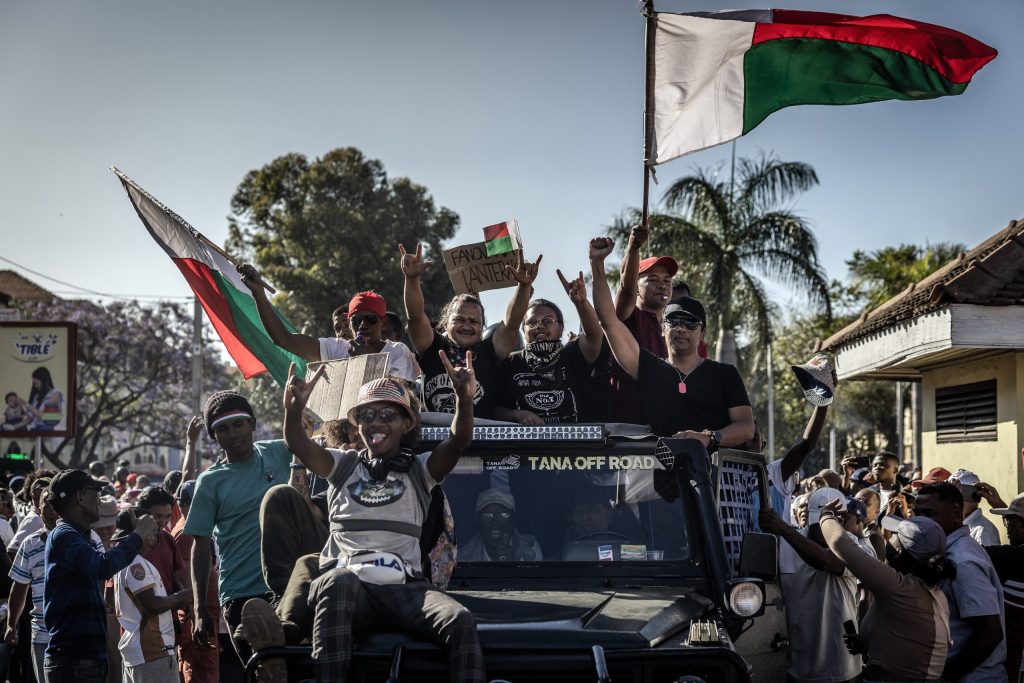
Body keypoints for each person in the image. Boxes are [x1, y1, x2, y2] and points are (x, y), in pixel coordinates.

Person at [245, 355, 485, 682]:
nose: (377, 422)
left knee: (460, 620)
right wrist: (293, 410)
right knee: (335, 580)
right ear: (357, 425)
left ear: (407, 423)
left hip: (403, 586)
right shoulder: (343, 466)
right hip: (348, 586)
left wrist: (464, 400)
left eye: (388, 414)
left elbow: (459, 441)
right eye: (367, 415)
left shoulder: (420, 470)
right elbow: (298, 444)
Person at [589, 236, 754, 446]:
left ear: (702, 334)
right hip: (658, 472)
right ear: (662, 329)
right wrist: (596, 263)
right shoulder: (650, 368)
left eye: (690, 323)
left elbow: (746, 427)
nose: (681, 329)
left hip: (709, 474)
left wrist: (708, 438)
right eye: (674, 322)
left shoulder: (725, 374)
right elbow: (608, 320)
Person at [183, 391, 294, 664]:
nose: (232, 434)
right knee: (259, 672)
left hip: (291, 589)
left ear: (253, 424)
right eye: (222, 429)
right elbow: (201, 546)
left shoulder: (282, 451)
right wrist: (199, 609)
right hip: (241, 594)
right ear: (213, 436)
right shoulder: (209, 482)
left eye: (238, 424)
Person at [42, 469, 159, 682]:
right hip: (73, 660)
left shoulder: (79, 536)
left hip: (84, 659)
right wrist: (137, 536)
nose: (98, 498)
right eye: (93, 492)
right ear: (79, 497)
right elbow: (100, 566)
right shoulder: (64, 535)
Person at [400, 241, 540, 418]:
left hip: (482, 440)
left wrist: (524, 286)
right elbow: (415, 316)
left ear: (482, 326)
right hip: (437, 440)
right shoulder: (431, 346)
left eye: (474, 321)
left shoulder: (491, 351)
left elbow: (511, 325)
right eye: (459, 319)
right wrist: (411, 279)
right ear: (446, 322)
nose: (466, 326)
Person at [822, 507, 954, 682]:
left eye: (894, 536)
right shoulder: (934, 593)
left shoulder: (898, 586)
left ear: (900, 551)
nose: (889, 538)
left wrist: (825, 515)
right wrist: (867, 643)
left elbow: (840, 543)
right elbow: (906, 645)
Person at [238, 264, 419, 381]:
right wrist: (258, 294)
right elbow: (283, 340)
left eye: (371, 319)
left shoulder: (397, 351)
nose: (363, 325)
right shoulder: (336, 348)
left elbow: (398, 396)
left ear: (384, 322)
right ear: (349, 323)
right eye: (356, 320)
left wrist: (364, 361)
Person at [759, 488, 866, 683]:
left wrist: (782, 527)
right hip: (798, 665)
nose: (819, 531)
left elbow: (826, 562)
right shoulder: (785, 545)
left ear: (840, 521)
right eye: (815, 525)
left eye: (824, 525)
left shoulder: (850, 545)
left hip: (841, 667)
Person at [915, 482, 1007, 682]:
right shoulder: (943, 551)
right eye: (917, 513)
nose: (920, 521)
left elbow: (990, 632)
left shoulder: (963, 562)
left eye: (929, 514)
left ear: (956, 514)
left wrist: (946, 675)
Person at [494, 270, 610, 424]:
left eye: (547, 321)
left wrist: (581, 303)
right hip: (526, 445)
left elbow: (595, 336)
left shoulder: (574, 355)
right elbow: (495, 410)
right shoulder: (511, 362)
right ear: (523, 329)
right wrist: (517, 415)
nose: (539, 326)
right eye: (532, 322)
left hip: (576, 445)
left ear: (561, 328)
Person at [111, 510, 193, 683]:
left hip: (143, 652)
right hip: (152, 652)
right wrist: (183, 596)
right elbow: (151, 606)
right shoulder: (135, 563)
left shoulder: (125, 561)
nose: (153, 540)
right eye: (151, 535)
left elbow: (109, 598)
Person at [608, 224, 678, 424]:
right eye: (652, 279)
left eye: (667, 280)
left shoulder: (677, 328)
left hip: (669, 431)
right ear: (637, 286)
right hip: (631, 432)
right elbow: (626, 289)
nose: (662, 284)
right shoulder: (628, 318)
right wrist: (633, 247)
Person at [171, 480, 220, 683]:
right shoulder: (186, 533)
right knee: (201, 671)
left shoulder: (194, 528)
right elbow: (186, 580)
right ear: (184, 506)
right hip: (199, 618)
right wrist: (199, 613)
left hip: (207, 614)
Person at [6, 497, 58, 681]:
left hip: (75, 634)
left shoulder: (87, 538)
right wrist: (11, 624)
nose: (52, 512)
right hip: (42, 634)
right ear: (39, 508)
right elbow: (19, 587)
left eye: (56, 506)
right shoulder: (29, 543)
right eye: (47, 506)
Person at [976, 486, 1024, 681]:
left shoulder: (1014, 558)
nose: (1006, 527)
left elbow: (971, 549)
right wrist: (1005, 507)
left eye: (1008, 521)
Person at [461, 489, 542, 562]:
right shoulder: (462, 559)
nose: (495, 522)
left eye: (504, 515)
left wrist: (513, 562)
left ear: (514, 520)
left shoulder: (531, 547)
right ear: (477, 521)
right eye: (487, 516)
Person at [950, 469, 1001, 547]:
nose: (954, 501)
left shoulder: (983, 531)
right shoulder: (954, 525)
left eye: (959, 494)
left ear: (974, 495)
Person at [22, 366, 64, 431]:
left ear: (44, 381)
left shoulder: (55, 394)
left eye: (36, 383)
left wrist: (26, 404)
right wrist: (14, 426)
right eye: (34, 383)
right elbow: (30, 418)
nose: (35, 386)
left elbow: (44, 416)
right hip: (34, 429)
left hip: (46, 430)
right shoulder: (36, 396)